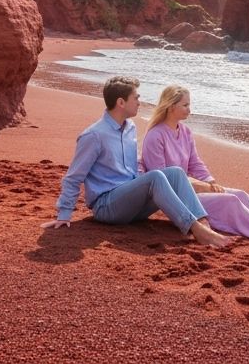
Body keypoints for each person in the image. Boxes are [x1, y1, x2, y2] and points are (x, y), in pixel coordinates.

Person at [43, 75, 232, 248]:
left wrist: (145, 179)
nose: (140, 102)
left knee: (175, 172)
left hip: (131, 203)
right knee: (157, 176)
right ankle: (195, 229)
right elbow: (74, 177)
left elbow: (135, 166)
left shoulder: (130, 128)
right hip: (107, 207)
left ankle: (203, 223)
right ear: (121, 102)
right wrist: (64, 213)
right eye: (136, 98)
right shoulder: (94, 135)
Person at [140, 85, 249, 245]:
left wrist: (211, 182)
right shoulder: (156, 136)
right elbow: (162, 180)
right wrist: (201, 187)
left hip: (194, 188)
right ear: (172, 107)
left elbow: (195, 162)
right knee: (230, 200)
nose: (190, 109)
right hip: (179, 198)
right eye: (185, 105)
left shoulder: (185, 131)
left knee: (240, 194)